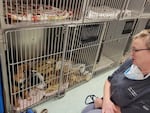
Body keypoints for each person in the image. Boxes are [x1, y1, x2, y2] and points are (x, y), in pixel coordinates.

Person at [81, 29, 150, 113]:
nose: (131, 54)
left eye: (135, 50)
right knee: (86, 110)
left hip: (118, 110)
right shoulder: (131, 62)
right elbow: (109, 80)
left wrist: (103, 104)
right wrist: (106, 100)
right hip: (109, 101)